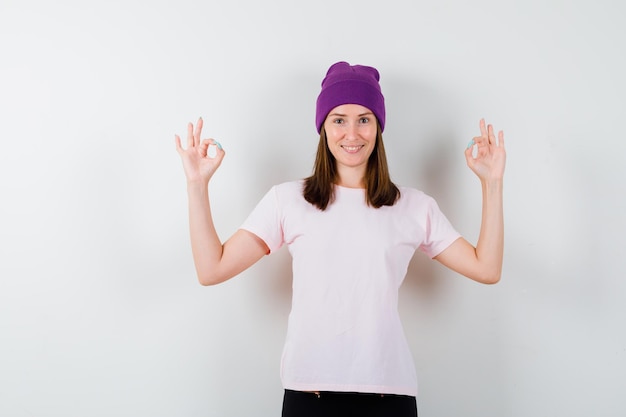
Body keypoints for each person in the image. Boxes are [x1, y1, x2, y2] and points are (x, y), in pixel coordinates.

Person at [175, 61, 506, 417]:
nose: (352, 133)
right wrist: (197, 185)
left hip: (388, 397)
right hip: (309, 396)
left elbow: (486, 268)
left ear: (378, 127)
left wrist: (492, 184)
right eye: (339, 119)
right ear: (323, 127)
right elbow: (212, 268)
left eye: (364, 119)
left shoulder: (412, 207)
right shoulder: (288, 200)